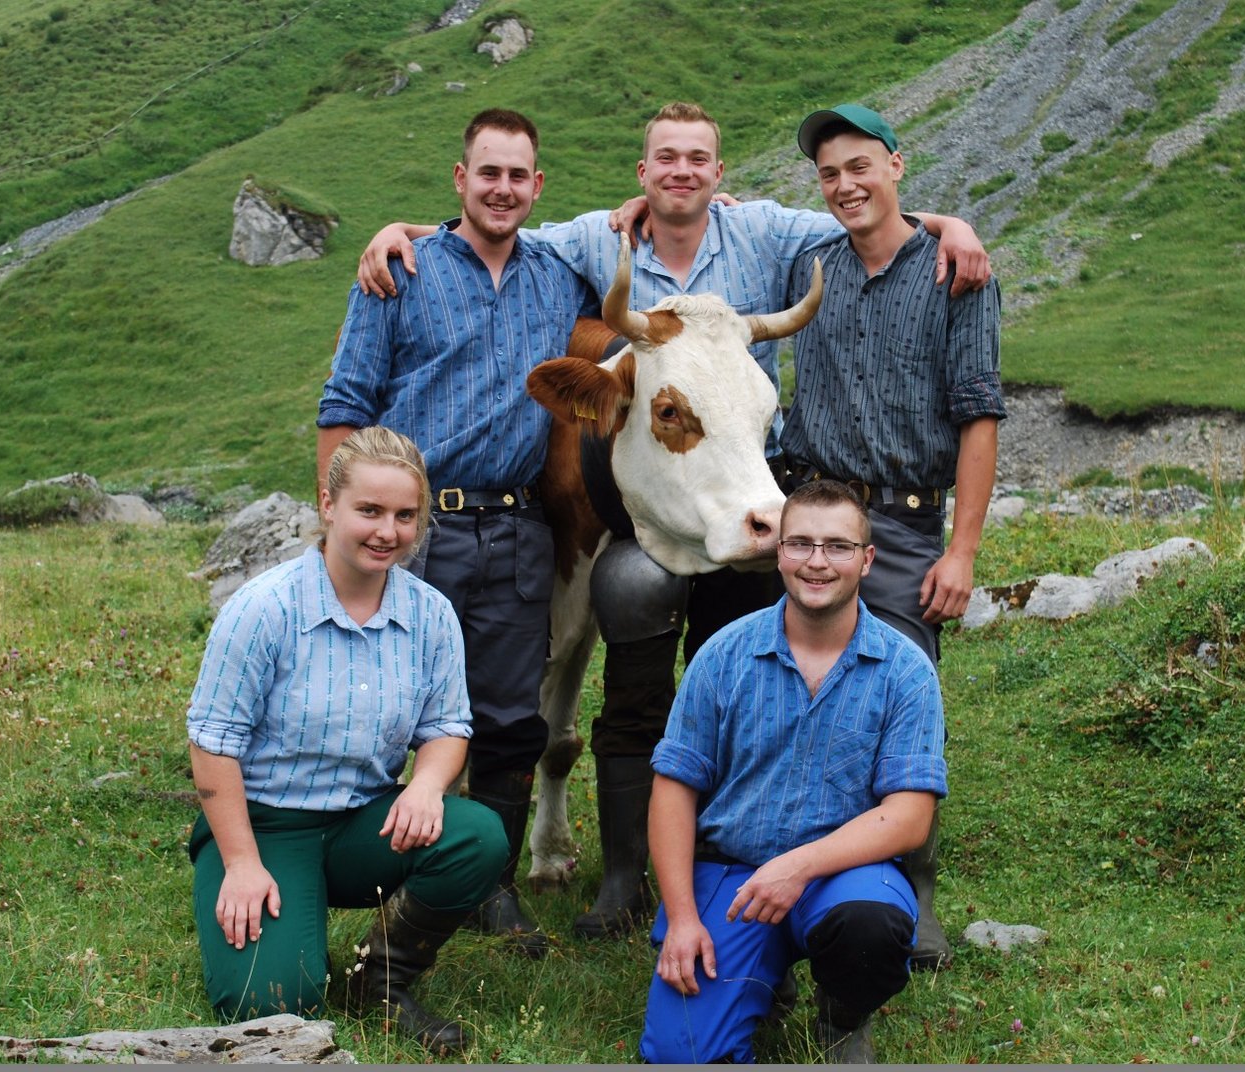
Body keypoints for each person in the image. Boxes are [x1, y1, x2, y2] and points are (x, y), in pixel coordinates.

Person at [353, 102, 989, 943]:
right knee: (628, 637)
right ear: (643, 173)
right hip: (649, 512)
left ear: (720, 174)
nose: (682, 171)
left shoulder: (766, 233)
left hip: (752, 503)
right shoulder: (594, 240)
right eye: (666, 159)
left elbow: (868, 216)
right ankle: (622, 875)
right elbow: (498, 229)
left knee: (758, 678)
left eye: (698, 158)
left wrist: (949, 225)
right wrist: (405, 233)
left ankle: (771, 854)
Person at [317, 109, 593, 958]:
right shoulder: (401, 271)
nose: (502, 189)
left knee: (510, 716)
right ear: (460, 179)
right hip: (415, 527)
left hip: (517, 525)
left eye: (518, 176)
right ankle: (375, 863)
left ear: (538, 186)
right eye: (488, 173)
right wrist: (336, 523)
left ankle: (490, 884)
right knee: (389, 704)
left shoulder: (560, 277)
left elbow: (650, 247)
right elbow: (345, 405)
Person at [186, 426, 505, 1053]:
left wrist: (427, 785)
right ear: (329, 505)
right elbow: (212, 744)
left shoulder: (431, 614)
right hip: (264, 826)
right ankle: (272, 914)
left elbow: (447, 727)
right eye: (370, 510)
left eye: (405, 516)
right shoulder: (263, 609)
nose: (388, 531)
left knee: (478, 836)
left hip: (365, 821)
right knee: (271, 1007)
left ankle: (381, 978)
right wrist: (242, 864)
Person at [781, 103, 1006, 970]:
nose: (845, 185)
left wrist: (963, 552)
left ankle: (915, 887)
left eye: (859, 166)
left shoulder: (957, 273)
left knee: (904, 695)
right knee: (795, 686)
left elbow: (979, 416)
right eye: (829, 174)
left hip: (907, 522)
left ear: (896, 165)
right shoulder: (807, 265)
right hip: (813, 508)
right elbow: (702, 222)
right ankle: (803, 868)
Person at [639, 480, 946, 1063]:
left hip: (845, 874)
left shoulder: (906, 670)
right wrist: (681, 919)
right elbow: (674, 789)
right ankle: (764, 972)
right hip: (733, 876)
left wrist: (798, 866)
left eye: (837, 546)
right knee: (683, 1055)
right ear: (779, 552)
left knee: (870, 927)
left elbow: (909, 818)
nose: (816, 562)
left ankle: (843, 1014)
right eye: (800, 543)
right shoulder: (721, 655)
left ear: (867, 559)